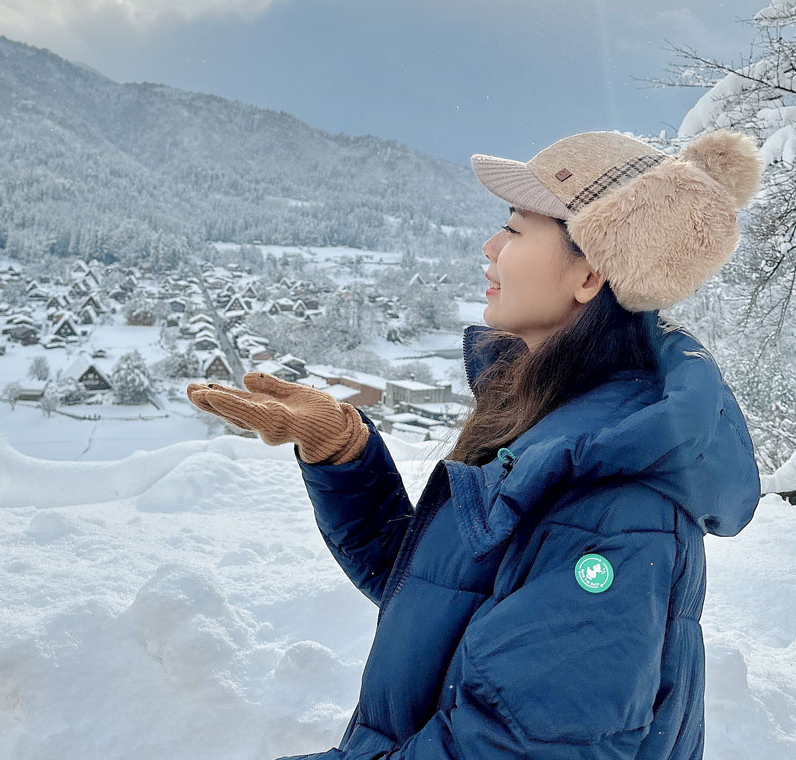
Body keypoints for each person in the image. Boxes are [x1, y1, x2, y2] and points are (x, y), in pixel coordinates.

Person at [188, 128, 764, 760]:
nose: (491, 247)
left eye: (516, 229)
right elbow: (443, 598)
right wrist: (345, 453)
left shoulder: (611, 510)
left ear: (590, 274)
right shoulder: (556, 429)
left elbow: (515, 749)